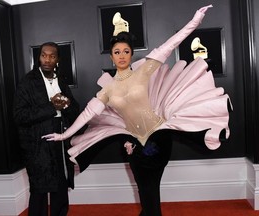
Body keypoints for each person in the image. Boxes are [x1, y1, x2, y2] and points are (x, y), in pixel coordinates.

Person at [43, 5, 232, 216]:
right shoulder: (107, 90)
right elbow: (87, 114)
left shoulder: (143, 71)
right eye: (117, 52)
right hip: (133, 144)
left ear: (131, 55)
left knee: (149, 188)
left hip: (159, 139)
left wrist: (195, 21)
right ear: (111, 57)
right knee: (145, 189)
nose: (121, 56)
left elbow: (171, 44)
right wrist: (64, 135)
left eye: (125, 52)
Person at [13, 42, 80, 216]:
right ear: (39, 57)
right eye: (44, 55)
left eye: (52, 56)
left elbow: (74, 110)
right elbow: (20, 116)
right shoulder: (28, 82)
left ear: (57, 59)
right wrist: (52, 107)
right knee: (40, 190)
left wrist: (66, 105)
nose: (47, 59)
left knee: (60, 186)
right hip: (37, 143)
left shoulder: (61, 81)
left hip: (61, 138)